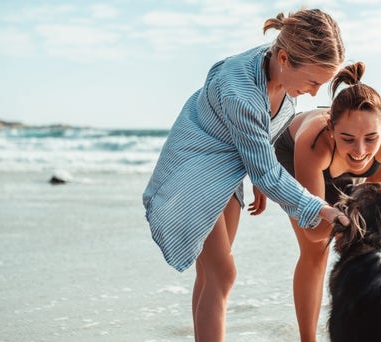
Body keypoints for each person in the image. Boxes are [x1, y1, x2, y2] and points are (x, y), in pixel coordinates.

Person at [142, 9, 347, 342]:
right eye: (312, 82)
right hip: (194, 168)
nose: (313, 94)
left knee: (210, 276)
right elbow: (266, 169)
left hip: (229, 169)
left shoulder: (279, 69)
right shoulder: (241, 93)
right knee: (223, 274)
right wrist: (319, 207)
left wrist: (256, 172)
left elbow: (260, 149)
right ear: (284, 58)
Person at [263, 61, 381, 341]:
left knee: (369, 244)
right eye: (348, 138)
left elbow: (376, 182)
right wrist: (345, 217)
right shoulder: (315, 141)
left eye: (371, 139)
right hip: (293, 153)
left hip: (336, 169)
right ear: (332, 130)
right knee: (316, 248)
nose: (360, 150)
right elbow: (314, 228)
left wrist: (356, 209)